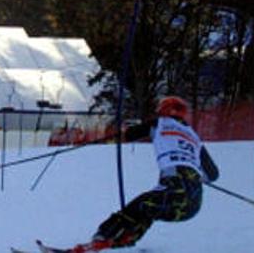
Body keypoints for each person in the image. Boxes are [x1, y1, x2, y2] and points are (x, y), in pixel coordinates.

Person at [75, 96, 220, 253]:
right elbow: (213, 174)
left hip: (175, 192)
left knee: (138, 207)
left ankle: (102, 238)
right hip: (193, 203)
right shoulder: (194, 137)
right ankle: (120, 244)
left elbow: (129, 135)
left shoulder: (160, 124)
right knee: (146, 209)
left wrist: (102, 141)